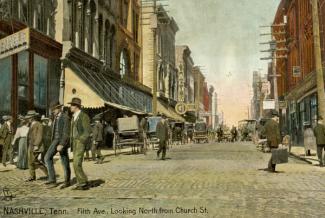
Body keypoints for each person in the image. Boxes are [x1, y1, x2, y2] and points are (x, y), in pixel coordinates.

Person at [44, 103, 71, 189]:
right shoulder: (55, 118)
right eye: (52, 110)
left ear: (59, 108)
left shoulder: (65, 117)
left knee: (64, 160)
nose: (53, 111)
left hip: (61, 141)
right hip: (55, 140)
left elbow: (66, 133)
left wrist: (62, 144)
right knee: (48, 157)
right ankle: (52, 180)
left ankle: (66, 181)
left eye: (54, 109)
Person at [68, 97, 91, 190]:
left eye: (72, 105)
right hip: (74, 142)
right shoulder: (74, 117)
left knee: (76, 163)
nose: (70, 107)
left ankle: (82, 183)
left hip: (79, 142)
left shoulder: (83, 116)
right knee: (75, 163)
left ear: (76, 106)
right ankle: (82, 181)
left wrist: (81, 141)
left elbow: (87, 131)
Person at [25, 110, 48, 181]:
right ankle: (32, 176)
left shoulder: (39, 124)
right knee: (30, 161)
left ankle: (48, 173)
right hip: (30, 145)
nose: (28, 119)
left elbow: (39, 135)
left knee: (34, 161)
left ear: (33, 117)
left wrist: (36, 145)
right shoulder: (31, 124)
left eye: (29, 118)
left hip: (36, 146)